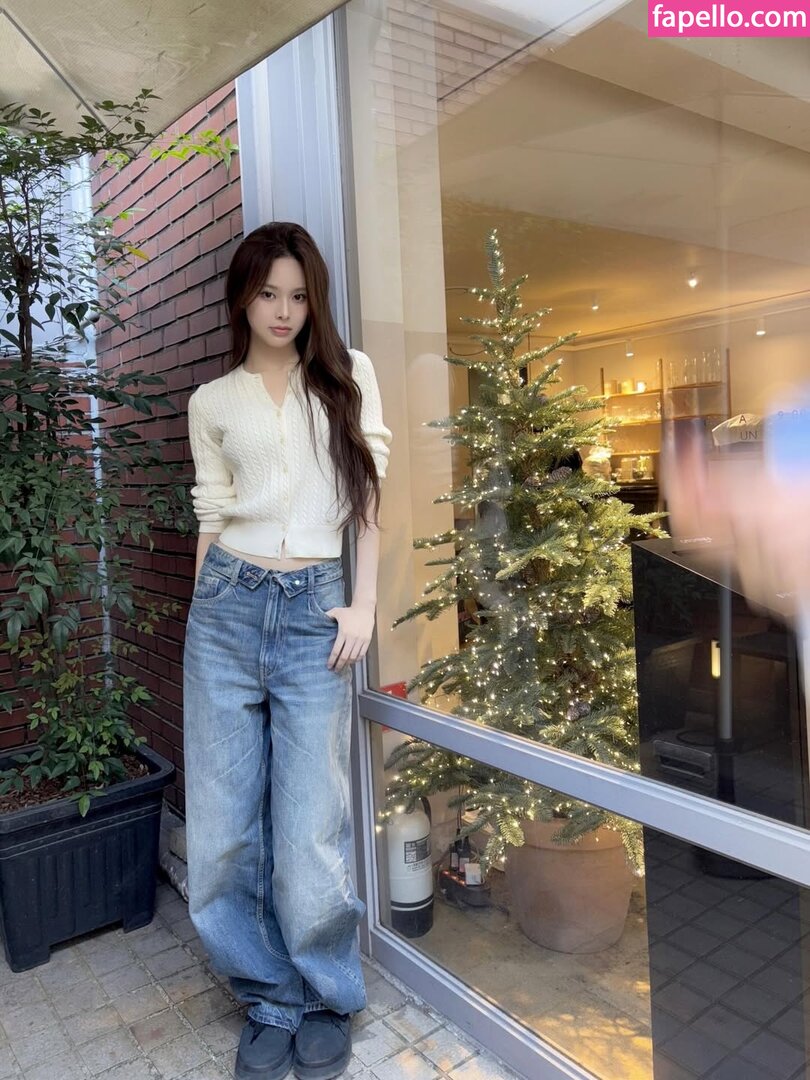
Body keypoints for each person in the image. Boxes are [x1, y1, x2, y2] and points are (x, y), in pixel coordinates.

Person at [182, 222, 391, 1080]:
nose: (283, 310)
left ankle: (327, 993)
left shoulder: (347, 376)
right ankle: (269, 994)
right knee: (220, 833)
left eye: (298, 295)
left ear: (315, 302)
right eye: (268, 292)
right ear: (243, 296)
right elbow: (212, 514)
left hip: (315, 612)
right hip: (226, 608)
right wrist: (202, 613)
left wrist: (363, 605)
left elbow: (368, 500)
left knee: (310, 825)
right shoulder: (212, 401)